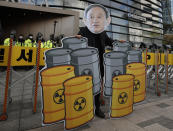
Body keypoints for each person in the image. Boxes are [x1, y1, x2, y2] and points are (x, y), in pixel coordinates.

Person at [77, 4, 113, 118]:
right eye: (92, 17)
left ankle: (97, 108)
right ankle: (84, 108)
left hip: (100, 63)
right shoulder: (83, 30)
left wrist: (119, 42)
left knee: (97, 87)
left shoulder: (102, 32)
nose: (95, 20)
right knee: (84, 85)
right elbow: (76, 41)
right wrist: (76, 38)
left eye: (99, 17)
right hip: (86, 63)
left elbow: (110, 42)